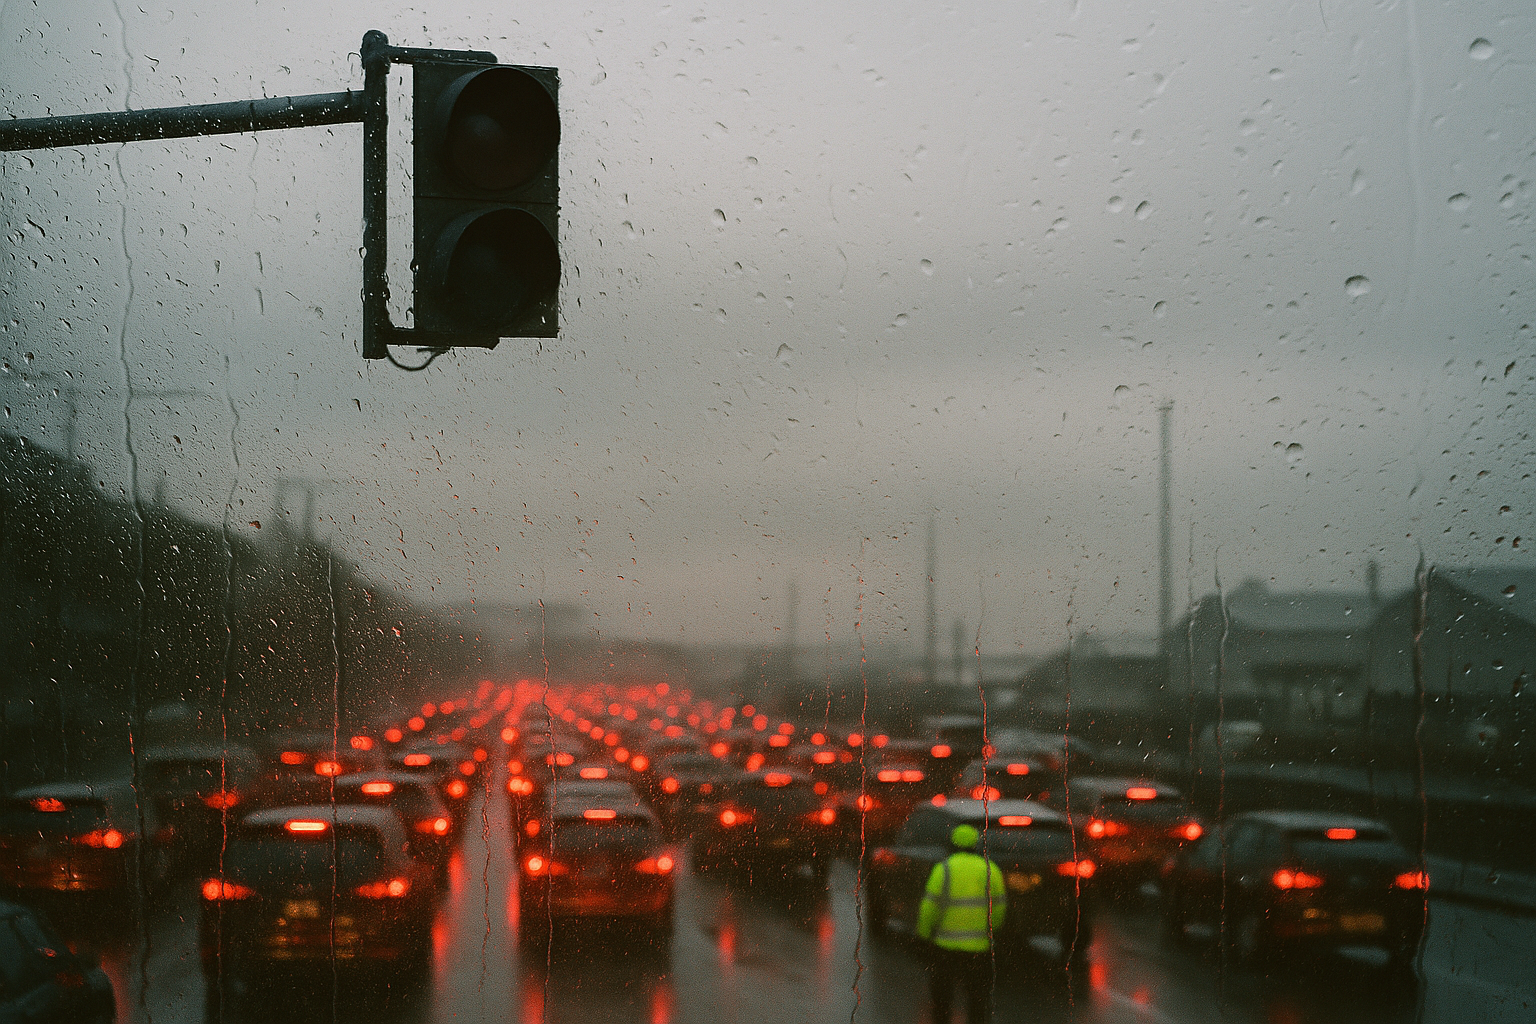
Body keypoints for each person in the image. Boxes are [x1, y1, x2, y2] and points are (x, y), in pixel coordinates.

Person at [915, 823, 1007, 1024]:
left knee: (942, 1001)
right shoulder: (991, 869)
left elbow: (928, 908)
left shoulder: (944, 869)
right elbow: (999, 909)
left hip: (945, 948)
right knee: (977, 1001)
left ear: (952, 843)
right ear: (976, 844)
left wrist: (923, 936)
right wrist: (992, 932)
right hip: (979, 949)